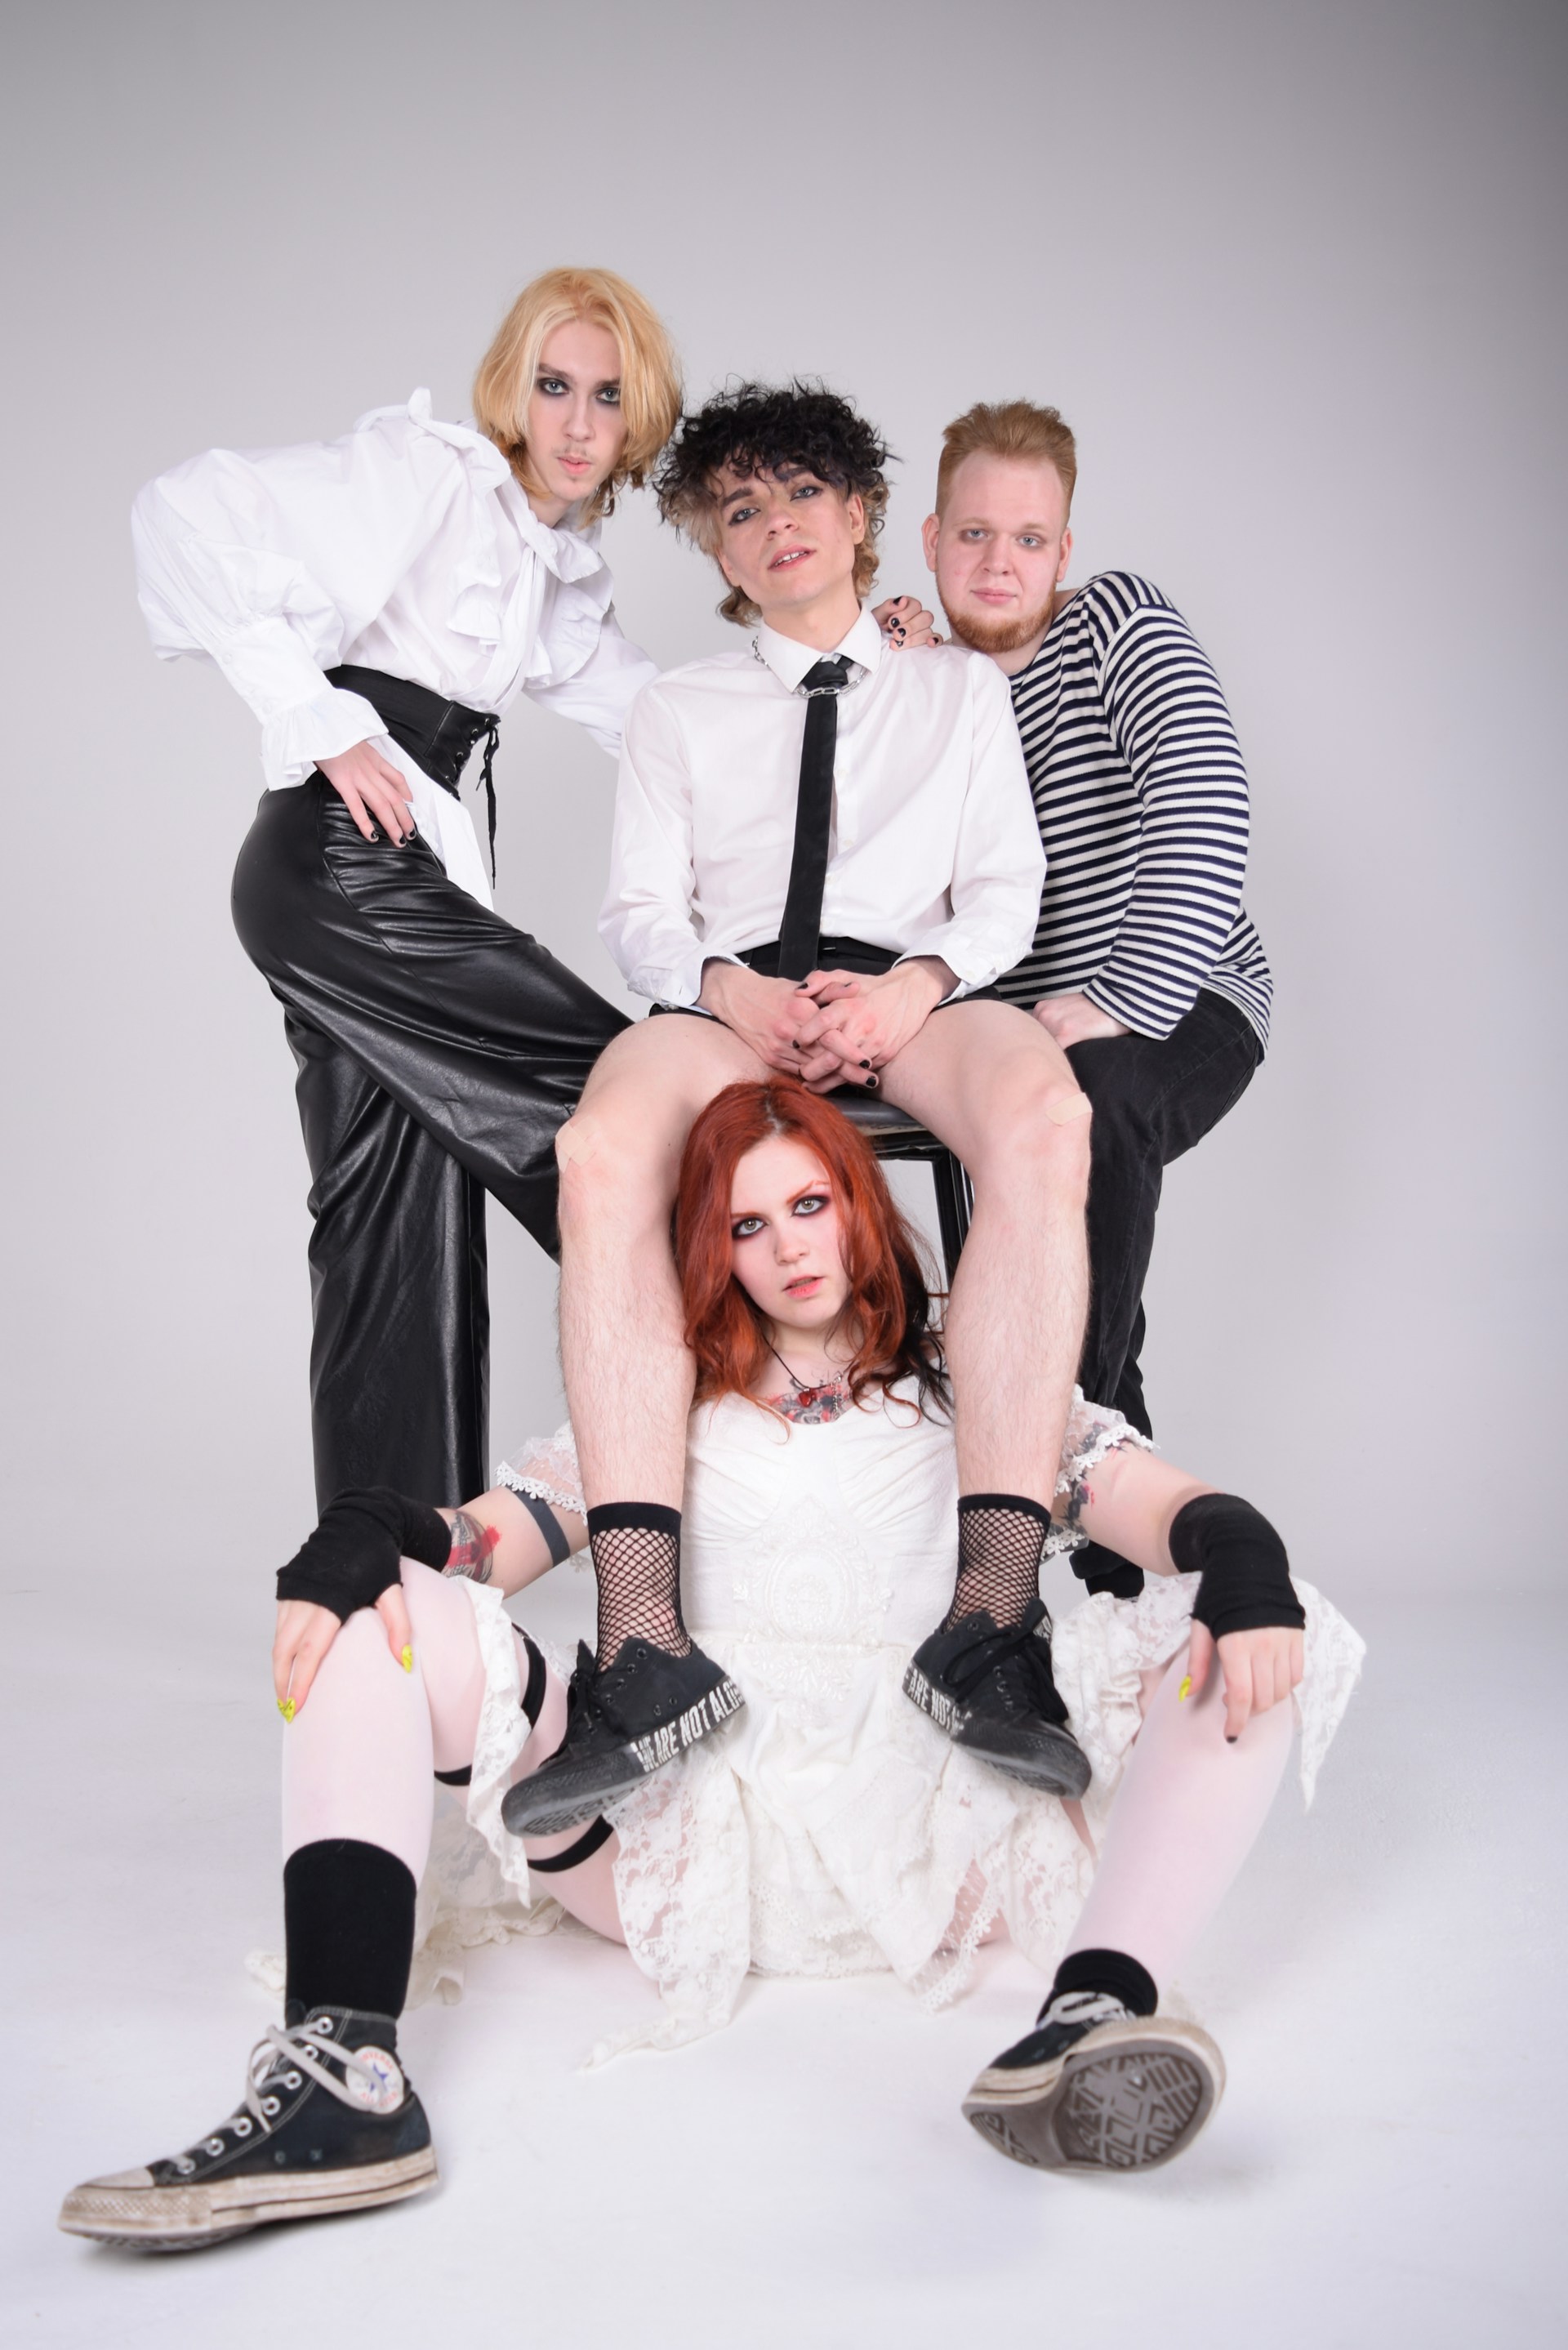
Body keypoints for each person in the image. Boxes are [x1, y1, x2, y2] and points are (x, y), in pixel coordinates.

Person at [57, 1082, 1360, 2246]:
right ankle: (345, 2071)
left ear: (860, 1203)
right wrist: (380, 1532)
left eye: (811, 1202)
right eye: (749, 1224)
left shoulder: (978, 1374)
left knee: (1272, 1608)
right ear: (711, 1248)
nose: (792, 1245)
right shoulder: (659, 1394)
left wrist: (1236, 1546)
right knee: (377, 1606)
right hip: (679, 1851)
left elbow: (1166, 1505)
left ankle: (1093, 2008)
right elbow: (481, 1543)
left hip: (941, 1844)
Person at [509, 381, 1099, 1831]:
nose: (776, 526)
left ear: (863, 516)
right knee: (598, 1145)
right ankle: (642, 1642)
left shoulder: (958, 690)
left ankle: (994, 1622)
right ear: (717, 550)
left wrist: (913, 989)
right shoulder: (678, 709)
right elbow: (640, 908)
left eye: (803, 496)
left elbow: (1006, 889)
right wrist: (727, 991)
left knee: (1045, 1116)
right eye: (741, 509)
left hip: (908, 999)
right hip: (734, 1008)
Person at [924, 401, 1272, 1599]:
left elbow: (1206, 800)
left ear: (1064, 551)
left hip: (1186, 996)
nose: (998, 562)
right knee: (1029, 1163)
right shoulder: (921, 683)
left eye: (1028, 538)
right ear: (930, 540)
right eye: (974, 533)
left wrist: (1121, 991)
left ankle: (1064, 1439)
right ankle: (1106, 1521)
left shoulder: (1116, 623)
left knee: (1101, 1095)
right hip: (1020, 1035)